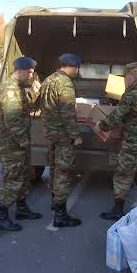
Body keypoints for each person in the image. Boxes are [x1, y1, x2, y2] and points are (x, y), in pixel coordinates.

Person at [99, 62, 137, 220]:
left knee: (122, 175)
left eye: (125, 78)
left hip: (133, 144)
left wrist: (101, 125)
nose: (125, 81)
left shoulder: (131, 94)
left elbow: (118, 114)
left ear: (131, 77)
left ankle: (118, 210)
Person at [0, 56, 42, 231]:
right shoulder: (9, 89)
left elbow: (28, 105)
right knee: (12, 179)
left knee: (23, 176)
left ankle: (21, 208)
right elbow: (13, 118)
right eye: (29, 72)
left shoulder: (19, 88)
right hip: (11, 143)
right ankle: (1, 216)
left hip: (18, 142)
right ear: (19, 70)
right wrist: (23, 140)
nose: (31, 75)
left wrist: (35, 92)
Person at [39, 53, 83, 228]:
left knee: (55, 170)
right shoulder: (65, 83)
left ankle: (54, 202)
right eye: (77, 68)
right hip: (63, 136)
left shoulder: (48, 80)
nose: (77, 71)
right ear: (71, 66)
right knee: (64, 174)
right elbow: (68, 113)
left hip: (50, 134)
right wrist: (75, 136)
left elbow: (42, 106)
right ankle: (60, 215)